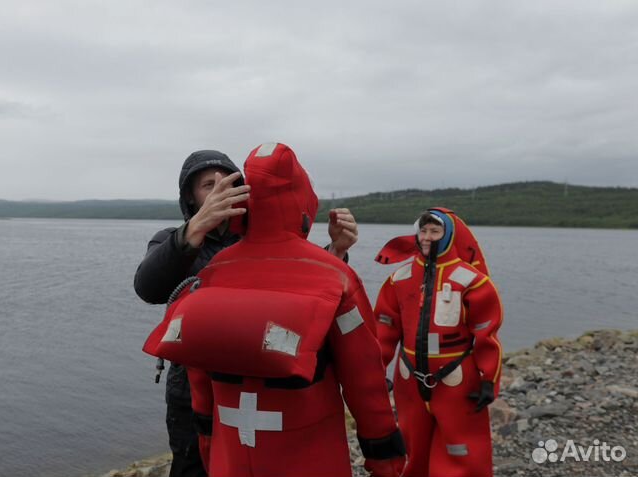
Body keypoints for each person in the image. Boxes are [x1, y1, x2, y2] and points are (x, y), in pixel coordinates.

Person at [142, 143, 406, 477]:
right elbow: (365, 377)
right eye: (209, 185)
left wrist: (334, 251)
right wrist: (385, 456)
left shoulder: (217, 270)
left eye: (229, 182)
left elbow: (295, 276)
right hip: (299, 450)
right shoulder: (175, 241)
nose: (222, 190)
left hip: (228, 442)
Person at [373, 207, 503, 477]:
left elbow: (486, 333)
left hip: (456, 379)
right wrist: (375, 372)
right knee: (413, 444)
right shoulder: (399, 280)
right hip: (409, 377)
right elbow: (384, 329)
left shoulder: (472, 282)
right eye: (423, 230)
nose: (427, 237)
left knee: (462, 447)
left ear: (449, 235)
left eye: (435, 231)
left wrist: (489, 379)